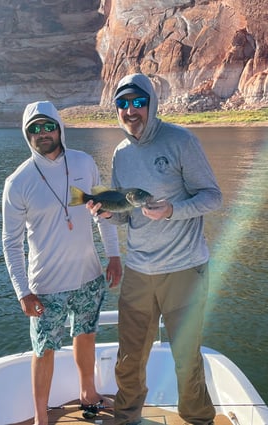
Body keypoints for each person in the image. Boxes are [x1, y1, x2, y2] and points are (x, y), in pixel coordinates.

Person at [87, 74, 222, 425]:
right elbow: (126, 216)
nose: (130, 111)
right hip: (139, 272)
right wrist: (105, 213)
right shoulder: (120, 153)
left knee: (186, 358)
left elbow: (212, 196)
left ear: (151, 103)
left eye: (137, 102)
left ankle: (197, 419)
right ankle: (127, 417)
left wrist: (173, 211)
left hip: (184, 271)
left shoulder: (181, 141)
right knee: (129, 357)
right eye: (122, 104)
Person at [2, 100, 122, 425]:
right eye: (34, 129)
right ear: (27, 135)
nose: (43, 133)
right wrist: (22, 292)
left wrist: (114, 255)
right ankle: (42, 417)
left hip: (89, 276)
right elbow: (11, 243)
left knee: (86, 334)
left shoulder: (84, 163)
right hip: (45, 287)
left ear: (59, 127)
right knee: (44, 350)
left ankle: (89, 393)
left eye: (48, 126)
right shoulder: (18, 182)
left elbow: (103, 214)